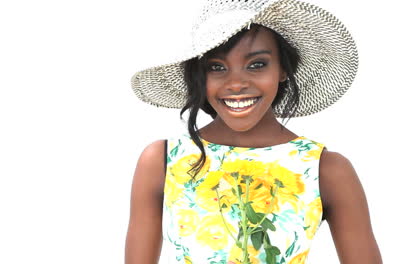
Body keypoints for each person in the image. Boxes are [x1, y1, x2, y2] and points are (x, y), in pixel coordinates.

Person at [125, 0, 382, 263]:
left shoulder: (326, 169)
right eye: (217, 67)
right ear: (199, 76)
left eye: (257, 64)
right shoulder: (162, 160)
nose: (236, 83)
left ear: (282, 69)